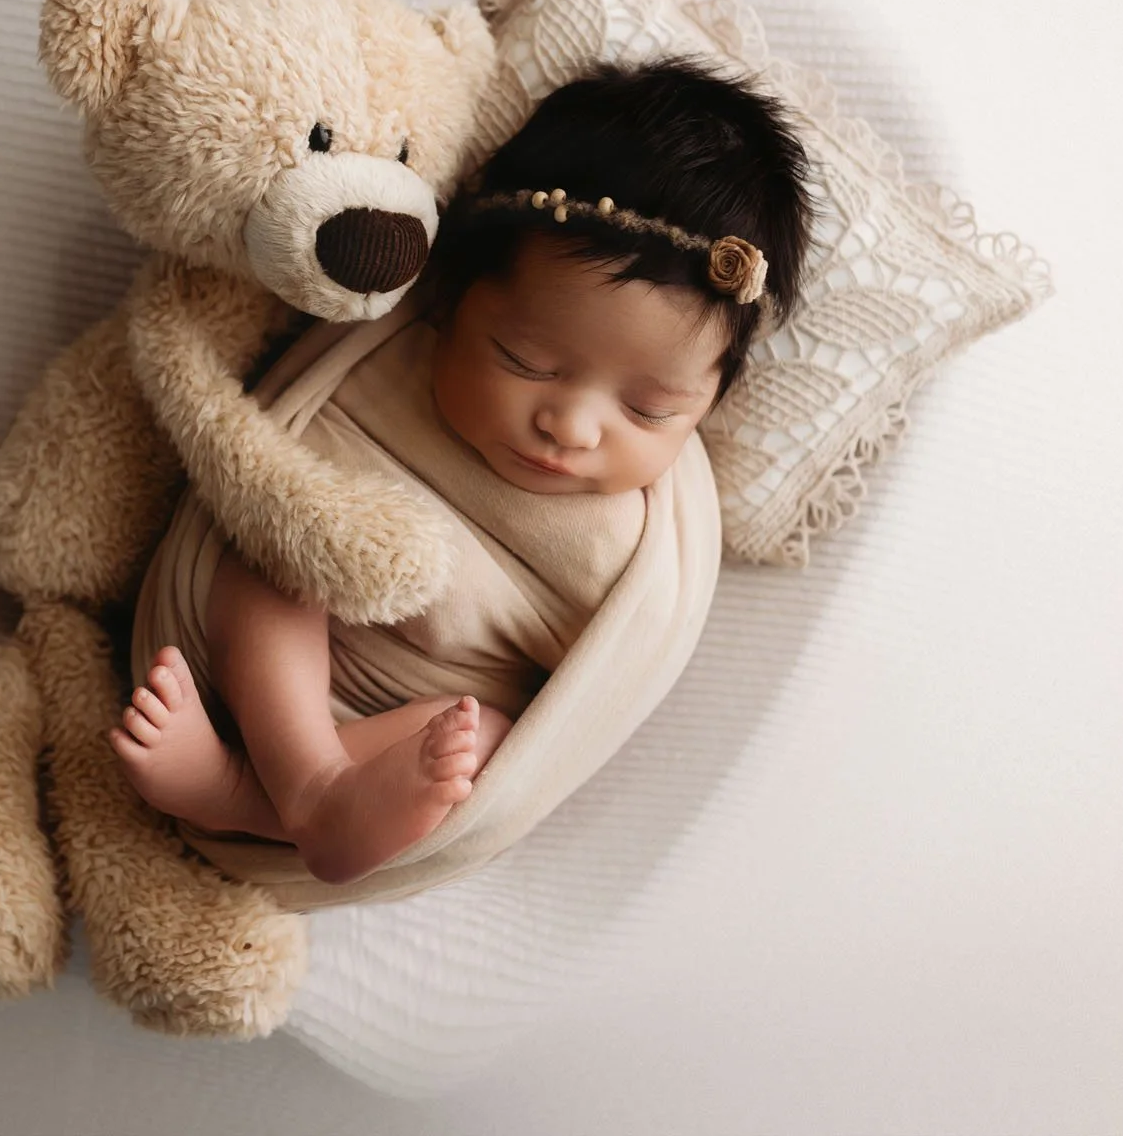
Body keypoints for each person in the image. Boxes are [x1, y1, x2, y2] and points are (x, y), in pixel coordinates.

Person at [112, 58, 814, 884]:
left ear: (709, 403)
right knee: (279, 544)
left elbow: (588, 707)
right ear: (451, 294)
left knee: (484, 742)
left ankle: (243, 795)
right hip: (246, 669)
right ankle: (302, 781)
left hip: (398, 747)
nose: (571, 425)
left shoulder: (659, 540)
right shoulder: (394, 349)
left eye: (649, 410)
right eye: (526, 359)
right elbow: (256, 462)